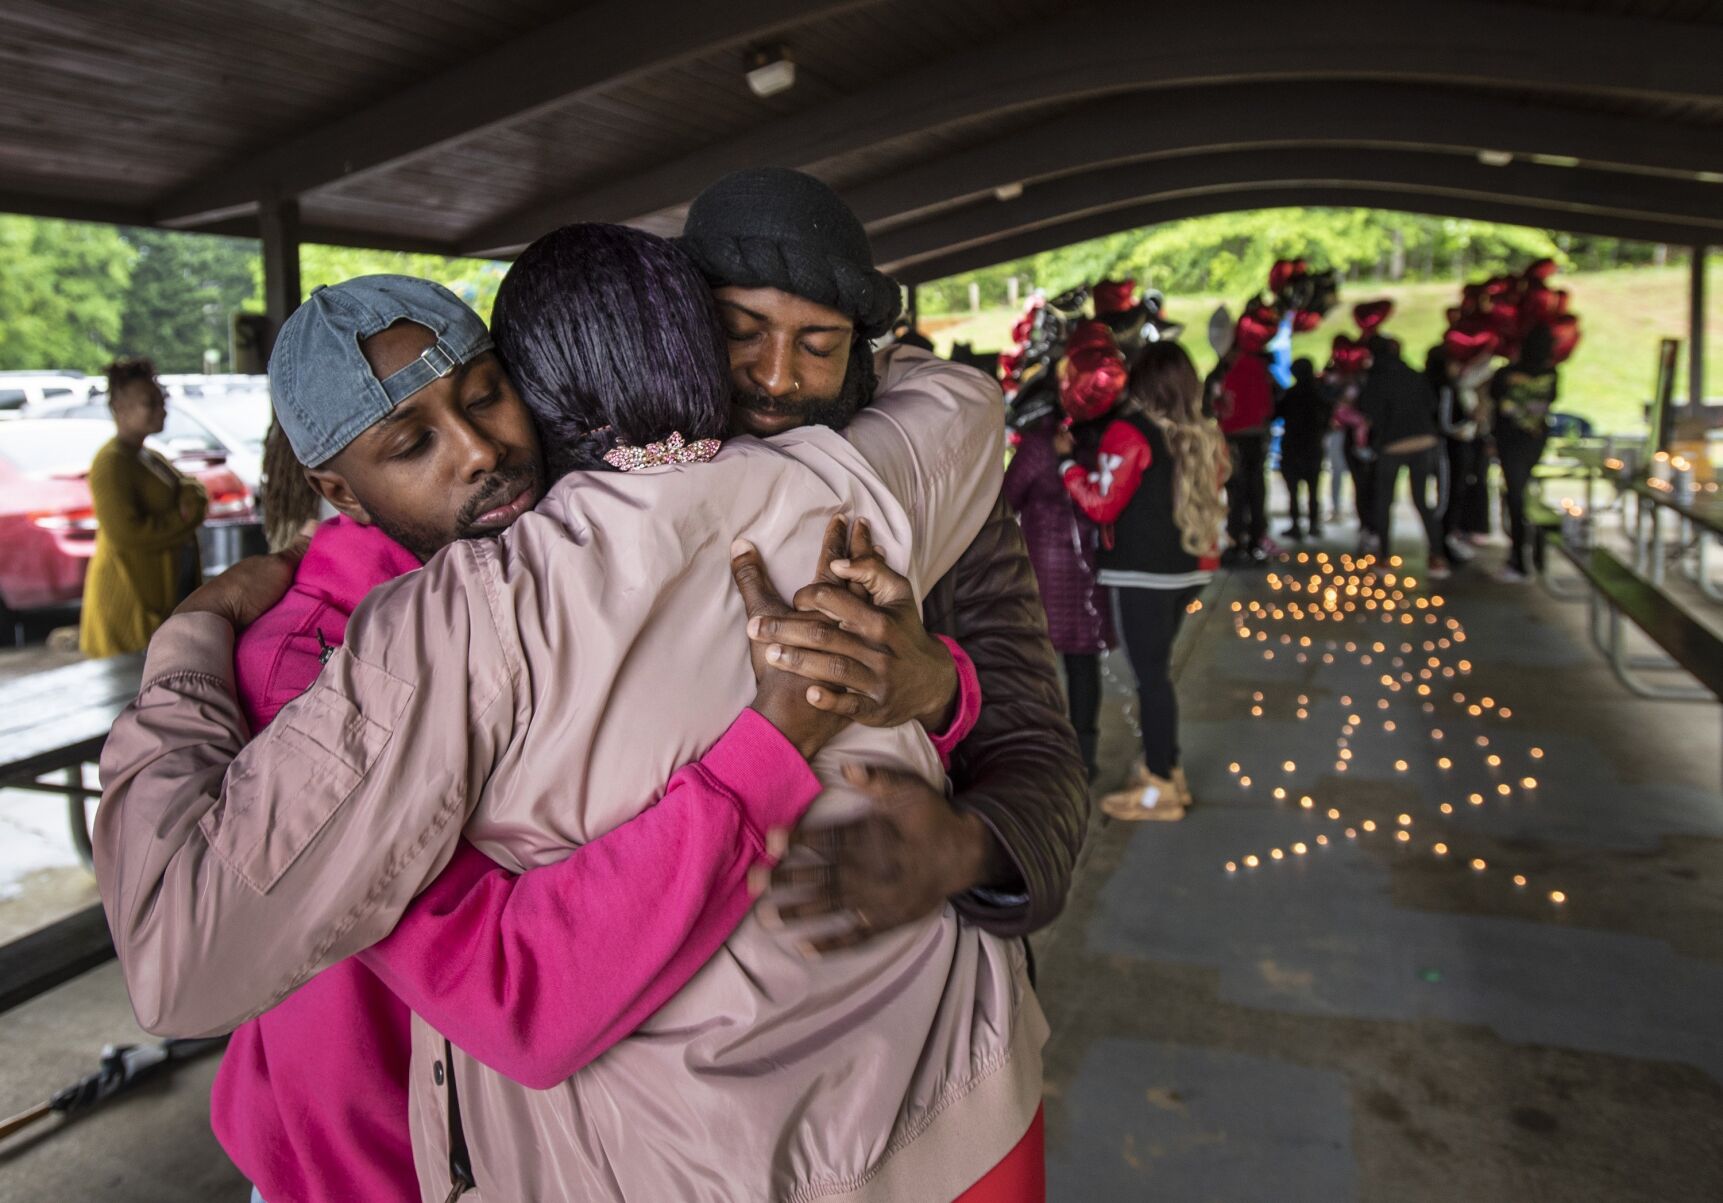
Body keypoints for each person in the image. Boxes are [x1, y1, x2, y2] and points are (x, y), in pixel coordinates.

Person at [97, 225, 1043, 1201]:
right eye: (412, 442)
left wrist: (932, 685)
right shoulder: (369, 649)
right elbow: (516, 996)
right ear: (337, 489)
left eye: (484, 397)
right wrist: (187, 646)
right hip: (363, 1154)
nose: (479, 452)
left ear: (534, 381)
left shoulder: (532, 578)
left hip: (779, 1145)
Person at [683, 167, 1086, 956]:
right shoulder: (583, 488)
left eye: (817, 343)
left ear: (860, 359)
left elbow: (1040, 753)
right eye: (740, 329)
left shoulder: (938, 492)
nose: (775, 375)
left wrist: (959, 839)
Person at [1054, 341, 1226, 821]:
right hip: (1191, 570)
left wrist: (1067, 464)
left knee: (1152, 680)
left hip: (1142, 574)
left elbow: (1101, 504)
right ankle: (1167, 769)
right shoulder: (1203, 433)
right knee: (1157, 675)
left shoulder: (1129, 432)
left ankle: (1159, 788)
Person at [1004, 385, 1115, 780]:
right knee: (1083, 665)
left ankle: (1047, 756)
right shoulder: (1101, 437)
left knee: (1038, 665)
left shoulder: (1038, 446)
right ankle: (1085, 758)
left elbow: (1006, 499)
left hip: (1046, 571)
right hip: (1089, 569)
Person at [78, 358, 207, 657]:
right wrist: (183, 519)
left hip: (164, 597)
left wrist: (189, 503)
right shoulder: (111, 463)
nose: (162, 410)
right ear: (119, 410)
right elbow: (128, 534)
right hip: (130, 606)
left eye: (161, 401)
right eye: (151, 403)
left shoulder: (148, 455)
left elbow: (193, 490)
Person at [1358, 335, 1452, 578]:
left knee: (1384, 501)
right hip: (1423, 441)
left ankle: (1384, 558)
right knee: (1422, 501)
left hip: (1392, 445)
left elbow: (1367, 410)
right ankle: (1437, 557)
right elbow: (1432, 403)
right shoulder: (1413, 373)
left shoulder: (1375, 379)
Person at [1490, 324, 1560, 582]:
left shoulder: (1507, 373)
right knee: (1525, 496)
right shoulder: (1550, 373)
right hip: (1534, 440)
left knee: (1518, 498)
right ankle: (1532, 553)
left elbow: (1497, 401)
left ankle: (1520, 558)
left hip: (1512, 441)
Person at [1214, 312, 1276, 563]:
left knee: (1238, 490)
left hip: (1237, 437)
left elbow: (1228, 407)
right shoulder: (1258, 369)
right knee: (1255, 488)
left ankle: (1238, 538)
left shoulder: (1237, 371)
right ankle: (1254, 538)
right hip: (1255, 435)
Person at [1276, 357, 1328, 541]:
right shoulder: (1319, 395)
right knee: (1314, 489)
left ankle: (1296, 524)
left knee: (1294, 491)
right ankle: (1313, 524)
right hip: (1312, 446)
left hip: (1293, 447)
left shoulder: (1290, 395)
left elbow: (1276, 413)